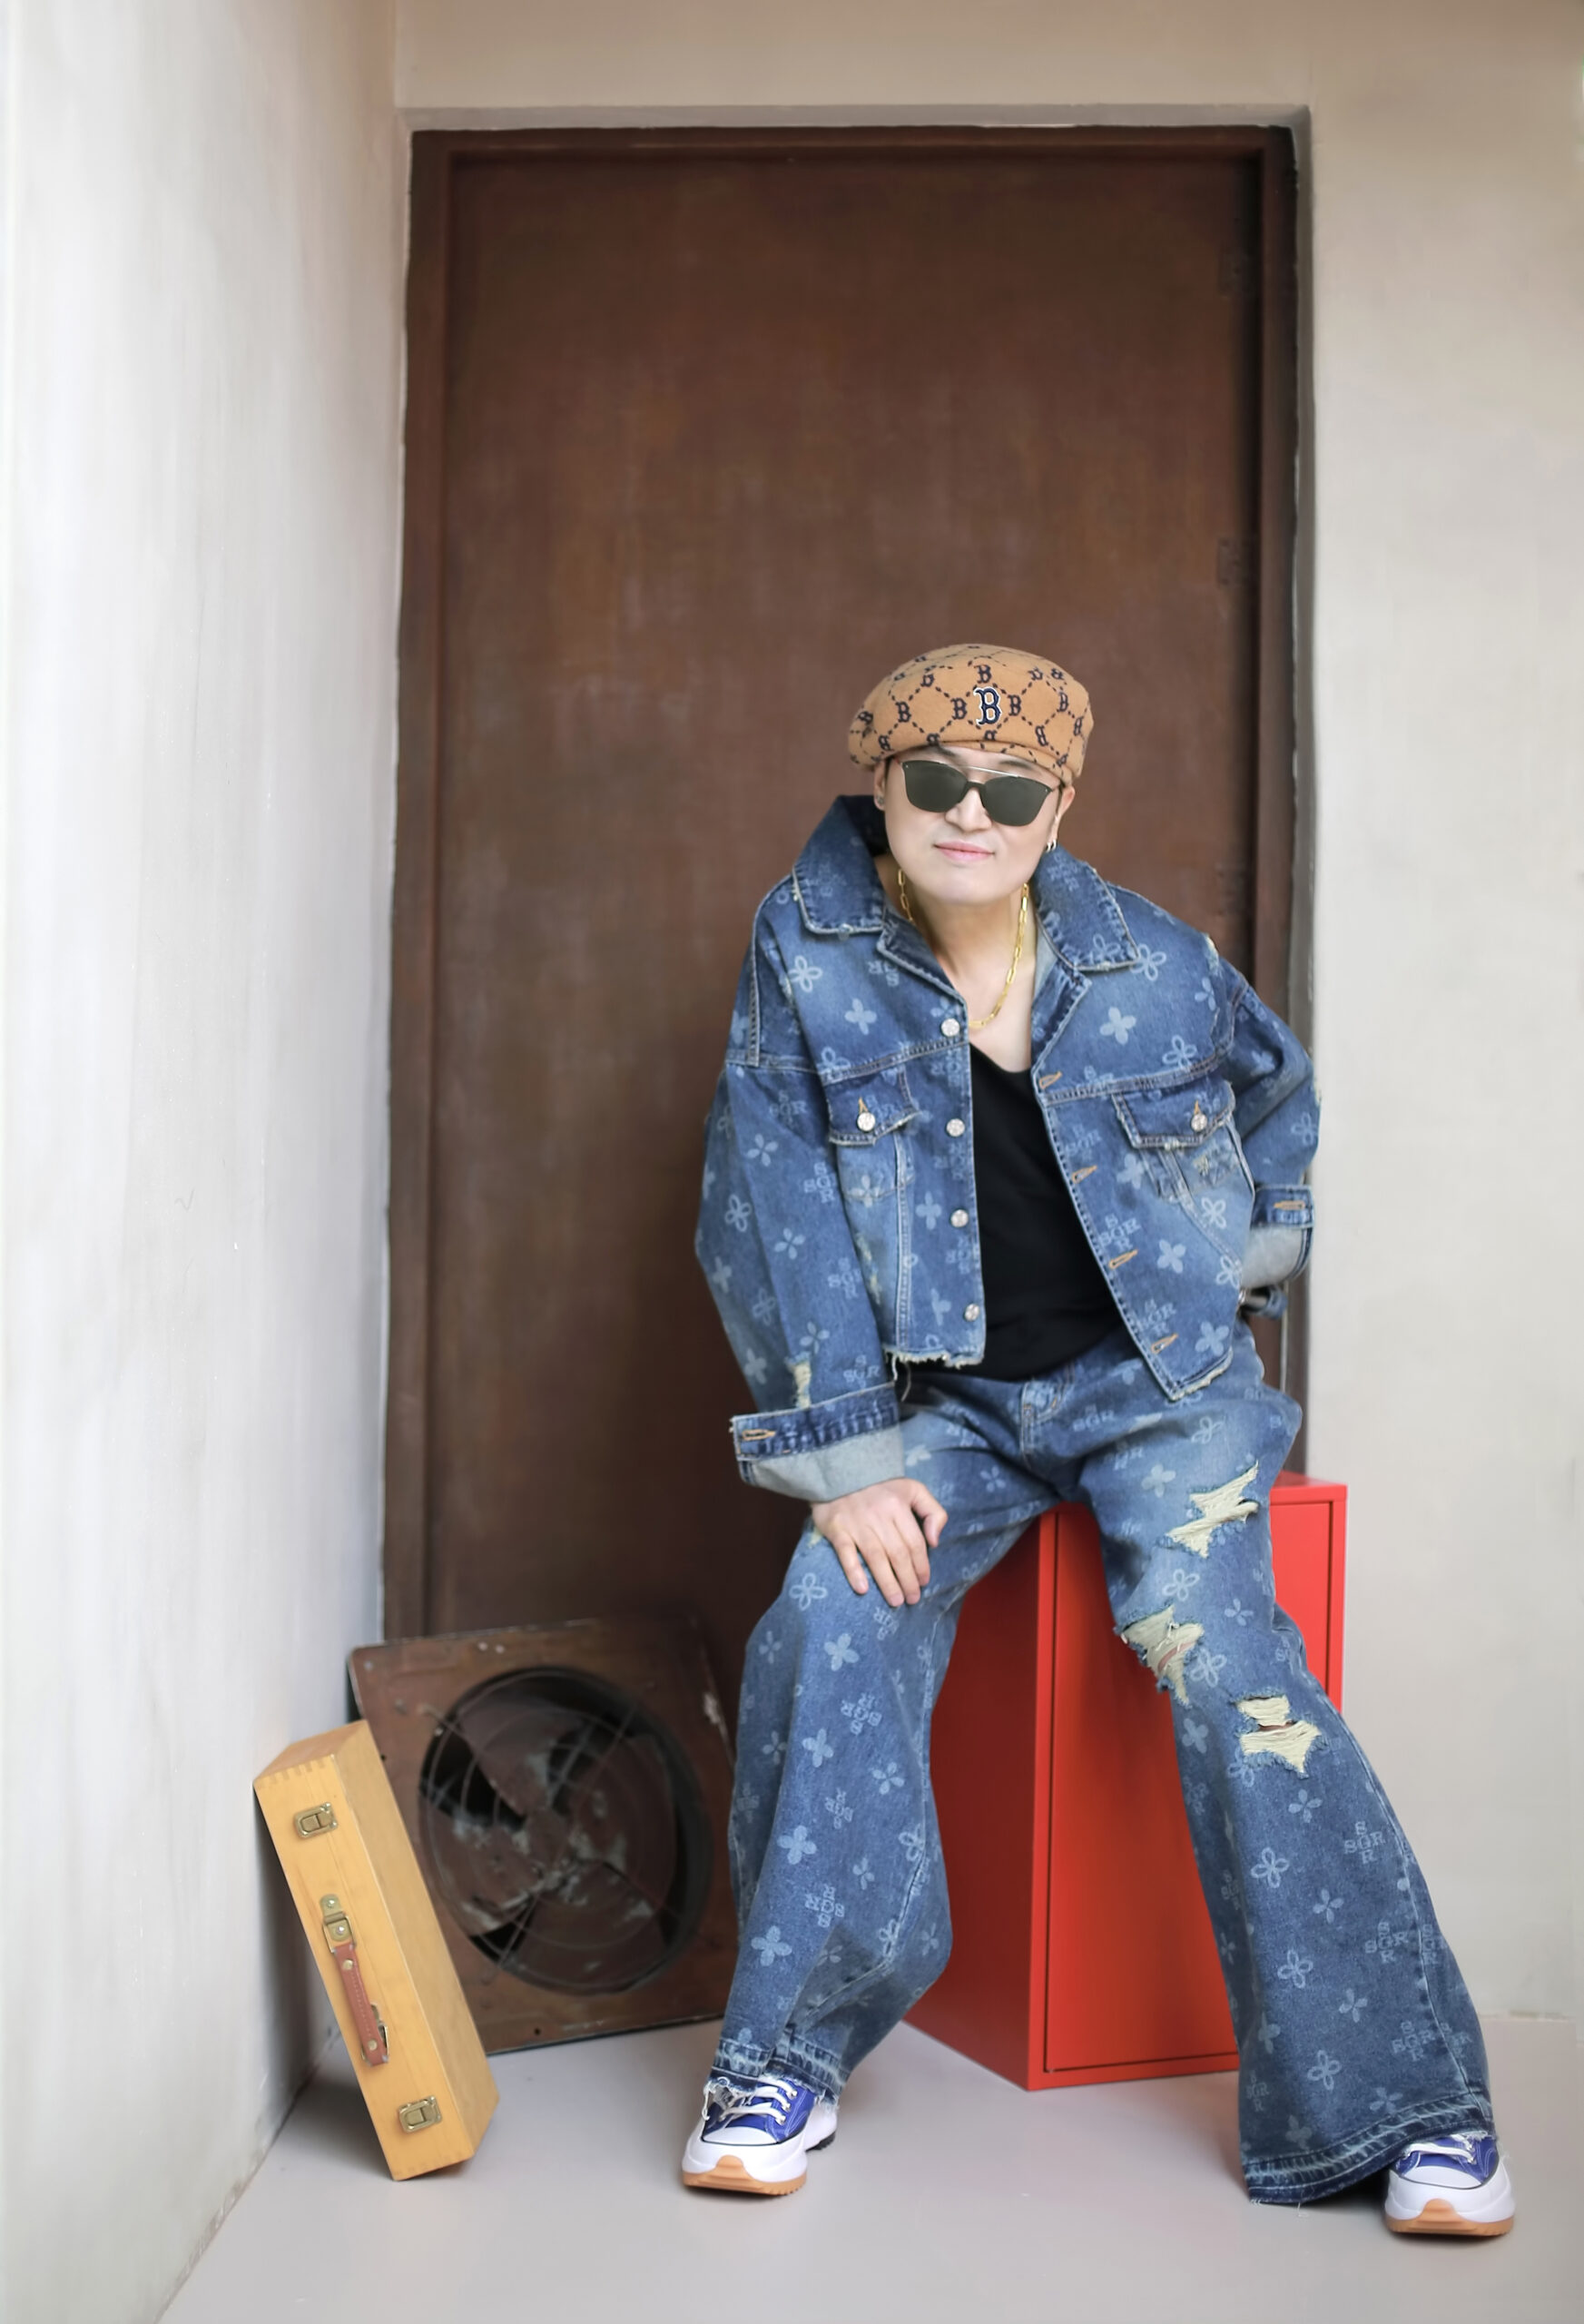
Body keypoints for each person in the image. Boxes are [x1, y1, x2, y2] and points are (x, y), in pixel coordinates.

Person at [684, 644, 1512, 2236]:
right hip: (945, 1405)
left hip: (1156, 1389)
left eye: (1012, 792)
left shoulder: (1148, 957)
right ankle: (782, 2058)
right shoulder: (807, 951)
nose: (971, 815)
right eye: (937, 782)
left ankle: (1405, 2106)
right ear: (884, 789)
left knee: (1226, 1657)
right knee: (825, 1626)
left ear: (1056, 808)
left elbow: (1277, 1103)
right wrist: (846, 1460)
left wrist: (1234, 1272)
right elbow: (766, 1201)